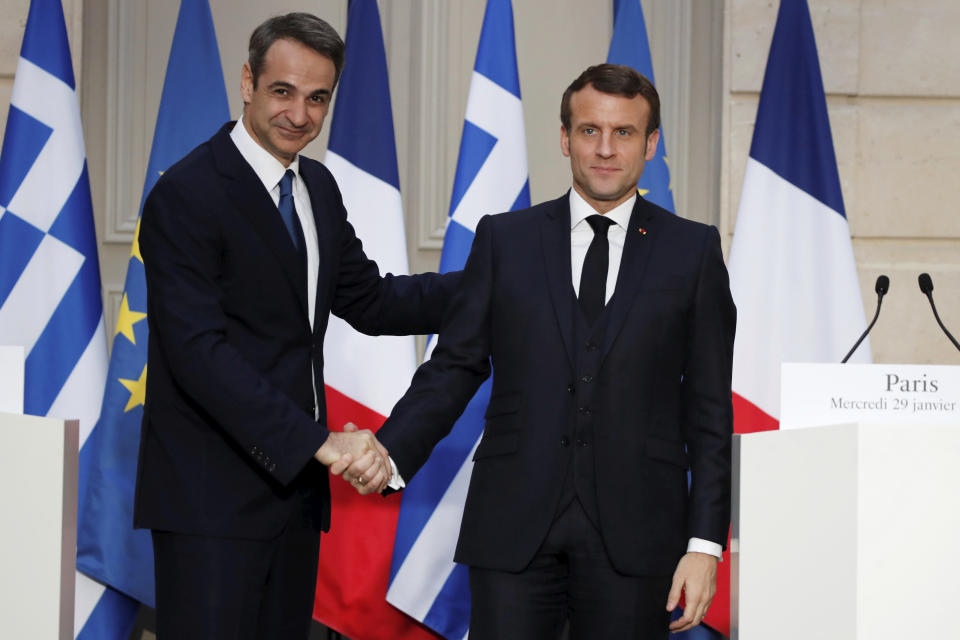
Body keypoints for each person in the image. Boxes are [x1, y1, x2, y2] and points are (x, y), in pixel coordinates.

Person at [342, 64, 736, 639]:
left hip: (638, 537)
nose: (605, 149)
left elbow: (708, 413)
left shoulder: (693, 251)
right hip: (511, 528)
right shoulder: (506, 240)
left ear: (651, 144)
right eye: (588, 130)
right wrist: (391, 452)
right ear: (563, 137)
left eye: (624, 132)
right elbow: (454, 365)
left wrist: (704, 546)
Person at [133, 12, 458, 640]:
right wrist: (321, 442)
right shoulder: (187, 194)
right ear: (247, 82)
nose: (300, 115)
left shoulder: (318, 186)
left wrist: (498, 282)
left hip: (294, 499)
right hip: (211, 501)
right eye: (283, 92)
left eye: (318, 98)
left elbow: (371, 301)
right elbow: (200, 355)